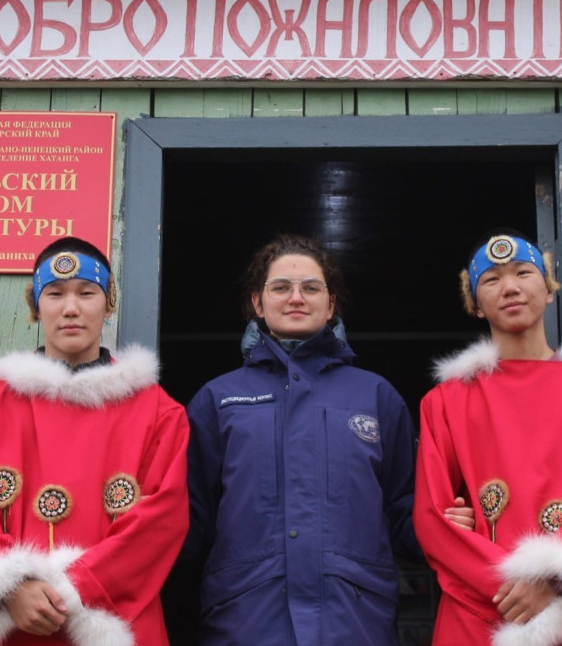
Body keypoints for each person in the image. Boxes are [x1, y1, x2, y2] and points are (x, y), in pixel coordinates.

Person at [183, 234, 473, 646]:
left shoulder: (375, 396)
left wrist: (450, 524)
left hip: (355, 622)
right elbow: (186, 522)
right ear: (258, 303)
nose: (296, 297)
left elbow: (406, 511)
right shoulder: (218, 398)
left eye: (311, 288)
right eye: (281, 287)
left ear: (331, 304)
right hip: (245, 621)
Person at [0, 236, 189, 646]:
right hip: (8, 624)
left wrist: (79, 589)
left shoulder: (158, 413)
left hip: (108, 621)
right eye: (54, 294)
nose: (71, 308)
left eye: (87, 293)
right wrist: (11, 588)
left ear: (109, 303)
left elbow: (161, 521)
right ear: (35, 307)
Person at [414, 231, 562, 646]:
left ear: (549, 291)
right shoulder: (446, 402)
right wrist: (515, 589)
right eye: (492, 280)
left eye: (524, 272)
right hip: (487, 607)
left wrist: (554, 580)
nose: (511, 287)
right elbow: (433, 518)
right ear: (475, 305)